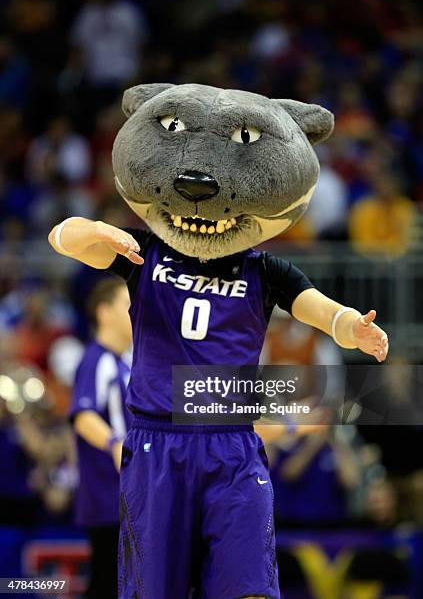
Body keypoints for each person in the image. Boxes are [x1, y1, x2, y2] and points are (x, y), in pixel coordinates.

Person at [48, 217, 388, 599]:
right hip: (158, 445)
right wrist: (95, 230)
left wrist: (352, 326)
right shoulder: (146, 252)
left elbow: (325, 312)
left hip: (233, 446)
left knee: (251, 589)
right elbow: (61, 239)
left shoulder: (264, 269)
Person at [69, 277, 132, 599]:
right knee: (109, 582)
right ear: (104, 312)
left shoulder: (123, 364)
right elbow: (82, 416)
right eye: (127, 304)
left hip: (126, 497)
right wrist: (113, 444)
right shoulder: (98, 359)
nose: (136, 312)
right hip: (108, 495)